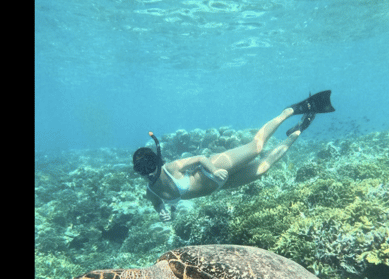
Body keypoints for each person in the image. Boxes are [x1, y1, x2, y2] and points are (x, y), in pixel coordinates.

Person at [132, 90, 335, 221]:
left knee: (256, 147)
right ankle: (299, 130)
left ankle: (290, 111)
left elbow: (201, 158)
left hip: (215, 169)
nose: (149, 174)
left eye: (151, 168)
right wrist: (162, 213)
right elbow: (157, 204)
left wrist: (214, 170)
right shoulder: (152, 193)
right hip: (223, 185)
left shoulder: (172, 167)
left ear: (157, 162)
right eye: (144, 172)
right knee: (264, 167)